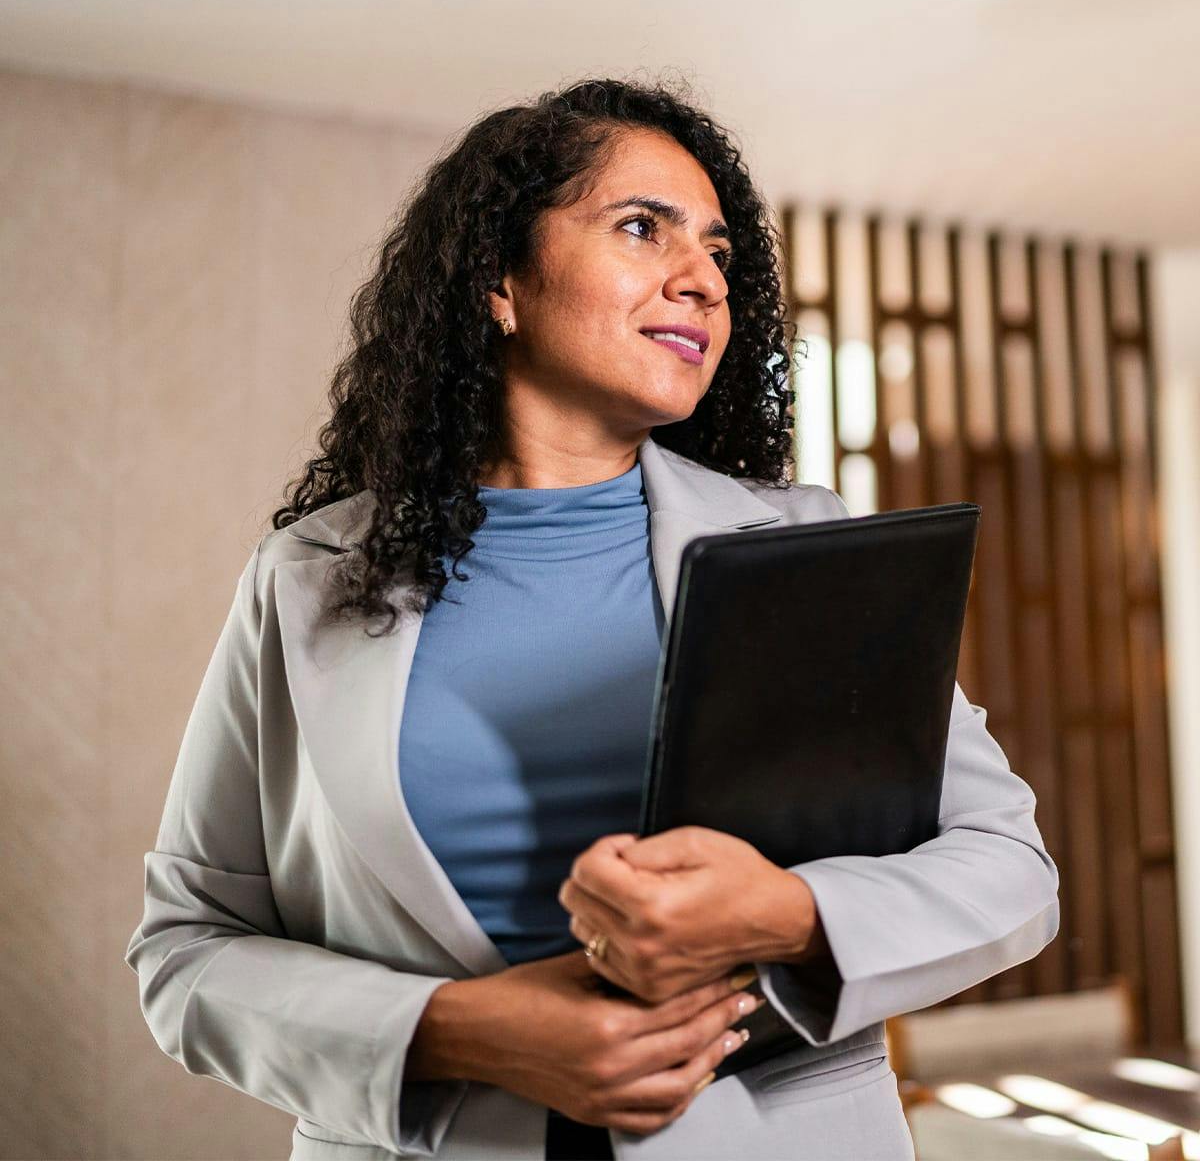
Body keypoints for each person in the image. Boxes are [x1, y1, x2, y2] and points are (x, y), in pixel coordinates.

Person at [125, 76, 1059, 1161]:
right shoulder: (304, 578)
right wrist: (453, 1031)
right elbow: (187, 951)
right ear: (499, 282)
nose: (705, 280)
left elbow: (1009, 867)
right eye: (640, 227)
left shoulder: (805, 548)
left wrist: (788, 917)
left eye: (716, 250)